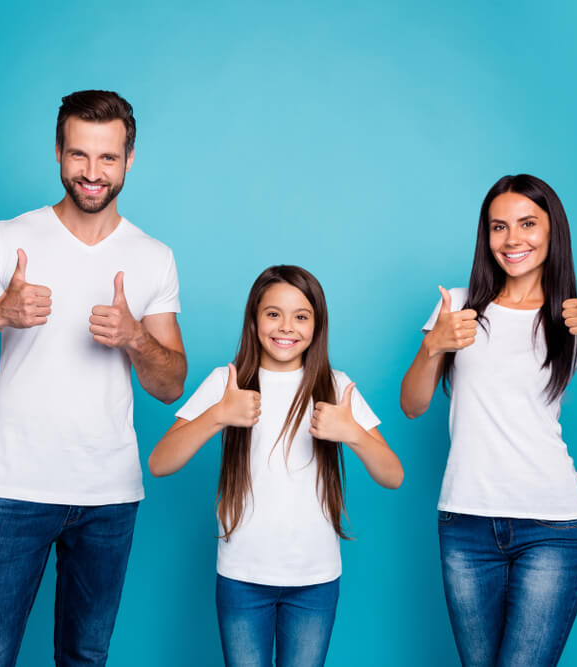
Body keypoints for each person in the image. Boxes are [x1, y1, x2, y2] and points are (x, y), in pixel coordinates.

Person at [0, 90, 187, 667]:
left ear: (129, 158)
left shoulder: (152, 257)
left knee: (85, 660)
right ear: (58, 153)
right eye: (79, 156)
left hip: (109, 497)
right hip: (12, 491)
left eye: (108, 158)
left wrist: (137, 336)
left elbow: (170, 385)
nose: (92, 173)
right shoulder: (8, 239)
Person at [399, 174, 577, 667]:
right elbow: (412, 404)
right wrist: (433, 346)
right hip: (464, 525)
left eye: (528, 224)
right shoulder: (460, 306)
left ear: (553, 231)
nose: (512, 240)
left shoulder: (572, 318)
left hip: (554, 528)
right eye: (498, 227)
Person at [149, 265, 403, 667]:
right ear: (254, 320)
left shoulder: (335, 386)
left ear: (317, 326)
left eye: (301, 316)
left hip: (315, 580)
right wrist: (217, 414)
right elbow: (160, 463)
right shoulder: (226, 382)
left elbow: (393, 475)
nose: (287, 327)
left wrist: (353, 432)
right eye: (273, 313)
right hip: (241, 576)